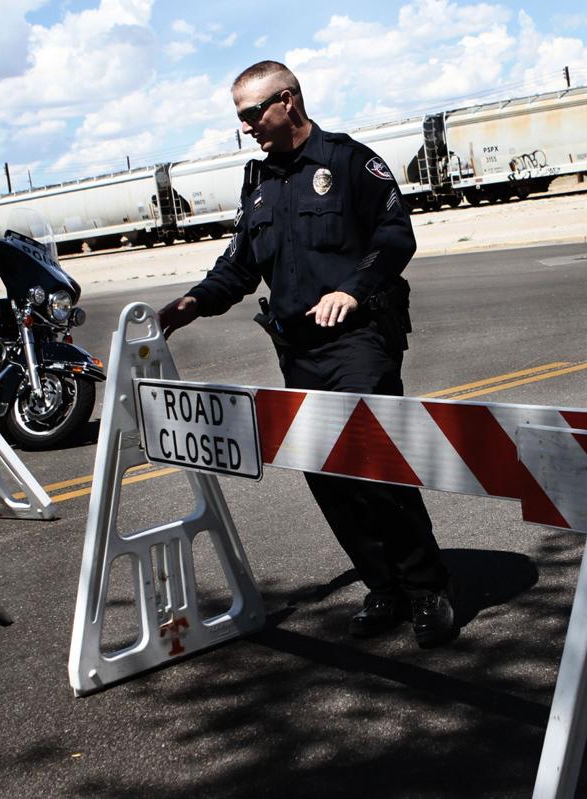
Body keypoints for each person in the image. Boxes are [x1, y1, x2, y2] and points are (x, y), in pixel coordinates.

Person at [158, 61, 456, 647]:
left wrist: (352, 289)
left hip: (361, 337)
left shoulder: (349, 162)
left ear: (287, 102)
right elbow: (241, 265)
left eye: (252, 114)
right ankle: (385, 587)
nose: (246, 128)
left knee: (375, 462)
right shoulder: (260, 183)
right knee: (327, 472)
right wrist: (190, 304)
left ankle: (427, 589)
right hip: (299, 347)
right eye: (239, 117)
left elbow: (396, 236)